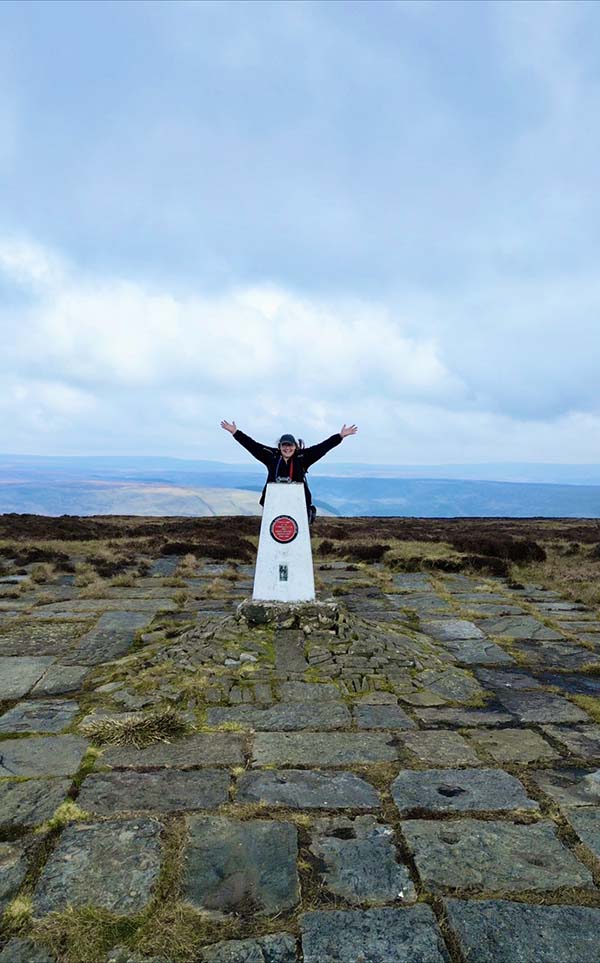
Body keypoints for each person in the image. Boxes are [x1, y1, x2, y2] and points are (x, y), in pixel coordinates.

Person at [220, 421, 358, 522]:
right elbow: (252, 445)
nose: (287, 449)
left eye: (290, 445)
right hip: (273, 503)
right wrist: (235, 432)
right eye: (284, 445)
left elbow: (323, 447)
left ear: (295, 446)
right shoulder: (271, 456)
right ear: (279, 446)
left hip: (298, 502)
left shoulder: (303, 457)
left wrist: (340, 436)